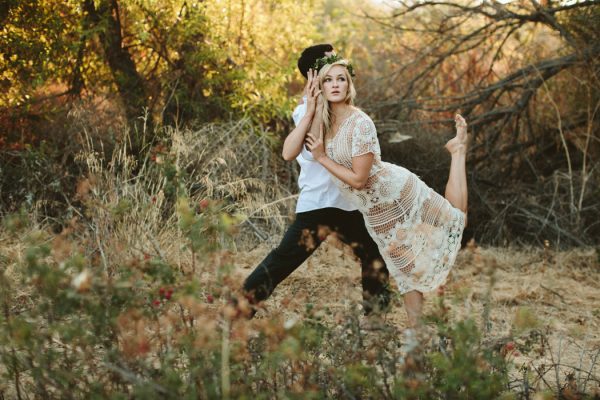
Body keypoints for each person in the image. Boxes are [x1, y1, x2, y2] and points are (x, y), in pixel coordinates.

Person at [305, 56, 468, 328]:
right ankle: (416, 334)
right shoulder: (323, 120)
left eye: (341, 78)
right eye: (328, 80)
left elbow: (358, 179)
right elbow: (299, 149)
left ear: (349, 85)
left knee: (456, 219)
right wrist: (311, 105)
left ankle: (458, 151)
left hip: (396, 193)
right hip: (374, 211)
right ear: (319, 86)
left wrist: (323, 158)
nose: (335, 85)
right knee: (403, 270)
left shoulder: (360, 123)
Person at [242, 45, 392, 319]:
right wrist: (312, 106)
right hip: (319, 205)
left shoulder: (350, 115)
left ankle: (376, 321)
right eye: (330, 66)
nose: (337, 70)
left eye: (340, 72)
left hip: (349, 204)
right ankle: (238, 311)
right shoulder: (305, 112)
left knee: (375, 253)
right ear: (316, 76)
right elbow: (290, 152)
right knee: (282, 261)